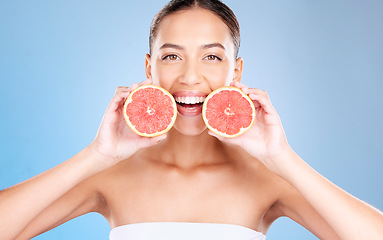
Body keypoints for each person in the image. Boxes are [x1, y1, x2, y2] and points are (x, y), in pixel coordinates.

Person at [1, 0, 382, 239]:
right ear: (149, 69)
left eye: (212, 57)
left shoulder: (268, 178)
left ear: (236, 72)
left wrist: (285, 159)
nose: (190, 77)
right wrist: (94, 156)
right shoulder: (109, 174)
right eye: (171, 56)